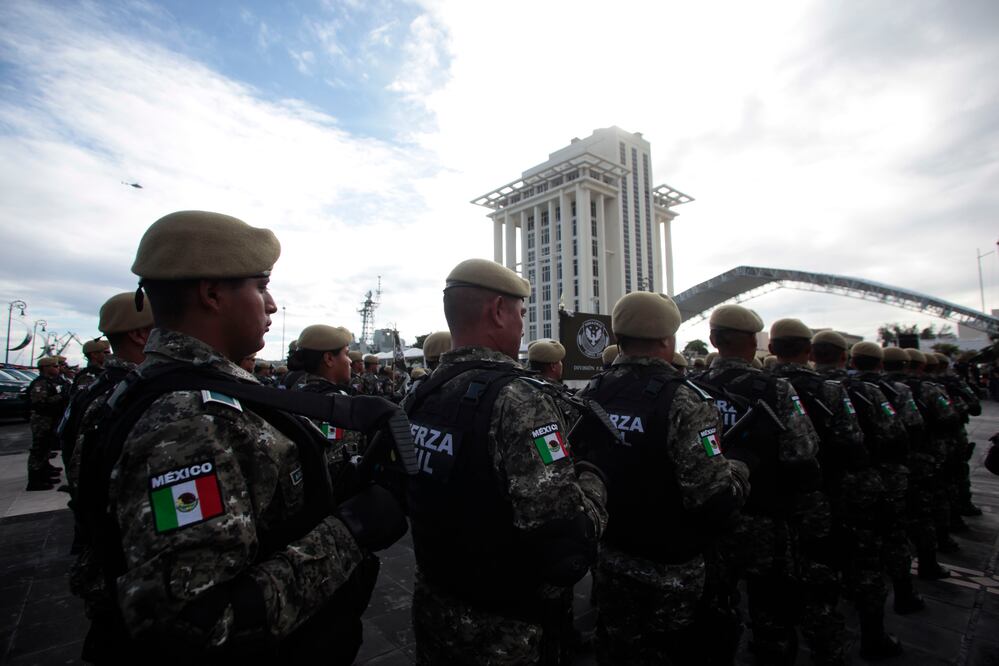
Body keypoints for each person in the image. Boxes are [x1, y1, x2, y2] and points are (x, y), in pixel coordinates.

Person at [84, 210, 406, 664]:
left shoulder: (186, 393)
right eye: (260, 286)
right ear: (212, 294)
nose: (271, 304)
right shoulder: (187, 421)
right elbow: (201, 626)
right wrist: (351, 530)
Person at [404, 258, 607, 665]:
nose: (521, 324)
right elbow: (563, 535)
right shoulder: (522, 399)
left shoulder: (421, 394)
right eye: (520, 312)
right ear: (498, 310)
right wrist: (594, 483)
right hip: (506, 626)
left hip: (437, 604)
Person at [579, 292, 751, 665]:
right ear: (665, 339)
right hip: (672, 567)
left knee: (618, 648)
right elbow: (711, 496)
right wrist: (739, 470)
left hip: (612, 555)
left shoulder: (596, 389)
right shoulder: (687, 399)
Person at [698, 304, 822, 665]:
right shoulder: (776, 389)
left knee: (717, 606)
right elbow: (802, 449)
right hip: (766, 517)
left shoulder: (693, 385)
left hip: (714, 517)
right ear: (754, 342)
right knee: (772, 610)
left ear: (713, 341)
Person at [881, 346, 950, 580]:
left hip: (876, 467)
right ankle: (927, 564)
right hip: (918, 460)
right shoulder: (919, 389)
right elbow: (946, 417)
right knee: (920, 513)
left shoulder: (864, 387)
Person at [25, 356, 66, 491]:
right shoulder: (40, 383)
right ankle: (35, 480)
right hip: (41, 419)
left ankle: (43, 473)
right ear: (45, 368)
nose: (58, 368)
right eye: (54, 366)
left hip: (50, 418)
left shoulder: (50, 382)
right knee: (39, 449)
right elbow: (39, 403)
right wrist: (62, 396)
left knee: (45, 448)